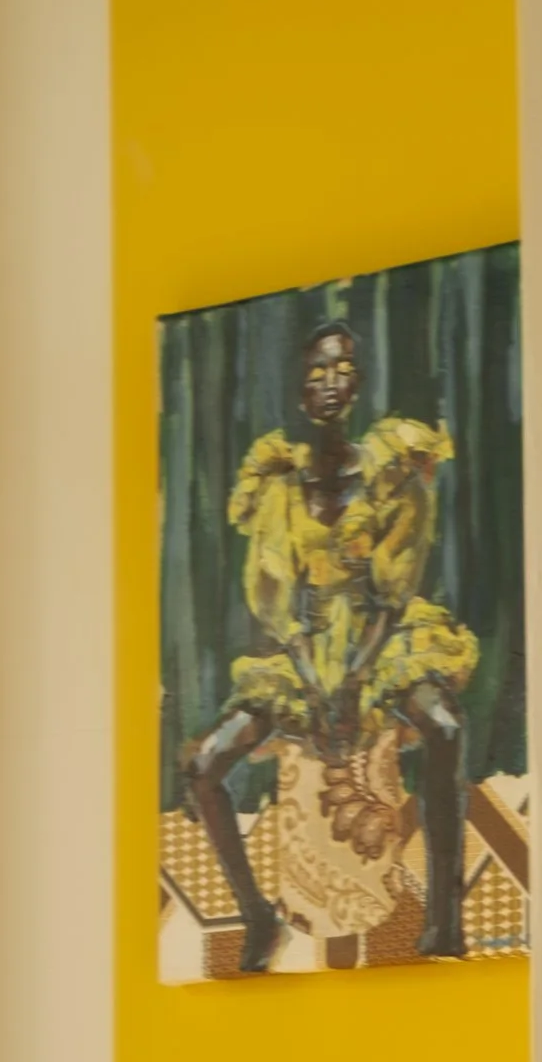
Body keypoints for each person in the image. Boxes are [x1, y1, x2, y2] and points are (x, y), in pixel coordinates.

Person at [182, 326, 478, 969]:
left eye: (342, 369)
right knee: (204, 765)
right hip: (303, 650)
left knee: (446, 727)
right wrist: (311, 673)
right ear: (298, 391)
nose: (330, 382)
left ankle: (446, 922)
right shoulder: (279, 484)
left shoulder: (392, 471)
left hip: (380, 641)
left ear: (359, 383)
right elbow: (269, 596)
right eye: (316, 373)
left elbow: (395, 594)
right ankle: (260, 920)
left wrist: (352, 678)